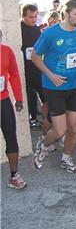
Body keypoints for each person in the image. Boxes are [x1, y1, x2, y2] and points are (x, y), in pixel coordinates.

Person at [31, 0, 76, 173]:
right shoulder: (50, 33)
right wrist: (50, 75)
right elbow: (35, 57)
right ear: (66, 14)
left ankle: (66, 157)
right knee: (60, 130)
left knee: (74, 128)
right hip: (54, 87)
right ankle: (43, 146)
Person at [0, 29, 27, 189]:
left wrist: (18, 98)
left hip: (3, 101)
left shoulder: (6, 51)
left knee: (11, 137)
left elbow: (14, 74)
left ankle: (14, 175)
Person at [20, 4, 48, 130]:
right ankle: (32, 120)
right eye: (31, 17)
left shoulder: (37, 30)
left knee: (44, 96)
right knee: (29, 97)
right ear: (23, 16)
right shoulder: (18, 29)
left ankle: (47, 119)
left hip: (37, 68)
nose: (34, 19)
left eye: (36, 16)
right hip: (23, 70)